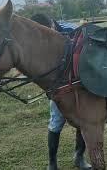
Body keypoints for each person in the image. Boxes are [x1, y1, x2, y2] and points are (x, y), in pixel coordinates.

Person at [30, 13, 91, 170]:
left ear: (51, 24)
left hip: (79, 83)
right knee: (56, 122)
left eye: (46, 31)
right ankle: (52, 162)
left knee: (82, 121)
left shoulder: (71, 29)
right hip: (58, 88)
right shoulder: (37, 40)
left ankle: (79, 157)